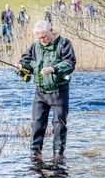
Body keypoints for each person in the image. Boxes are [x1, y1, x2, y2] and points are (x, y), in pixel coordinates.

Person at [15, 20, 76, 159]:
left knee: (59, 126)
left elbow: (70, 63)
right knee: (36, 124)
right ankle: (35, 157)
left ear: (51, 31)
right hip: (41, 92)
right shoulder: (35, 46)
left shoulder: (63, 44)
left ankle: (58, 157)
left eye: (44, 37)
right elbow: (26, 62)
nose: (42, 40)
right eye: (39, 38)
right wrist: (20, 66)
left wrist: (54, 69)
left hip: (59, 91)